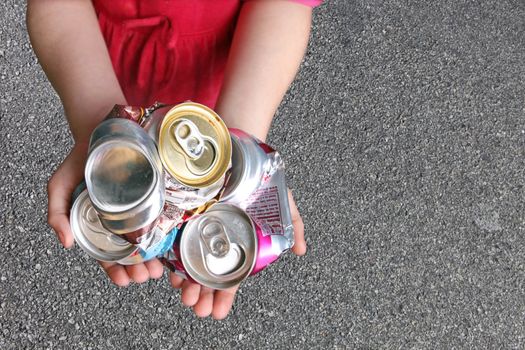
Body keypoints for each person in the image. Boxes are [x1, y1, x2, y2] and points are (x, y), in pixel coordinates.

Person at [27, 0, 320, 320]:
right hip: (95, 58)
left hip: (233, 68)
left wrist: (240, 146)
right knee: (171, 136)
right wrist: (99, 123)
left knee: (194, 135)